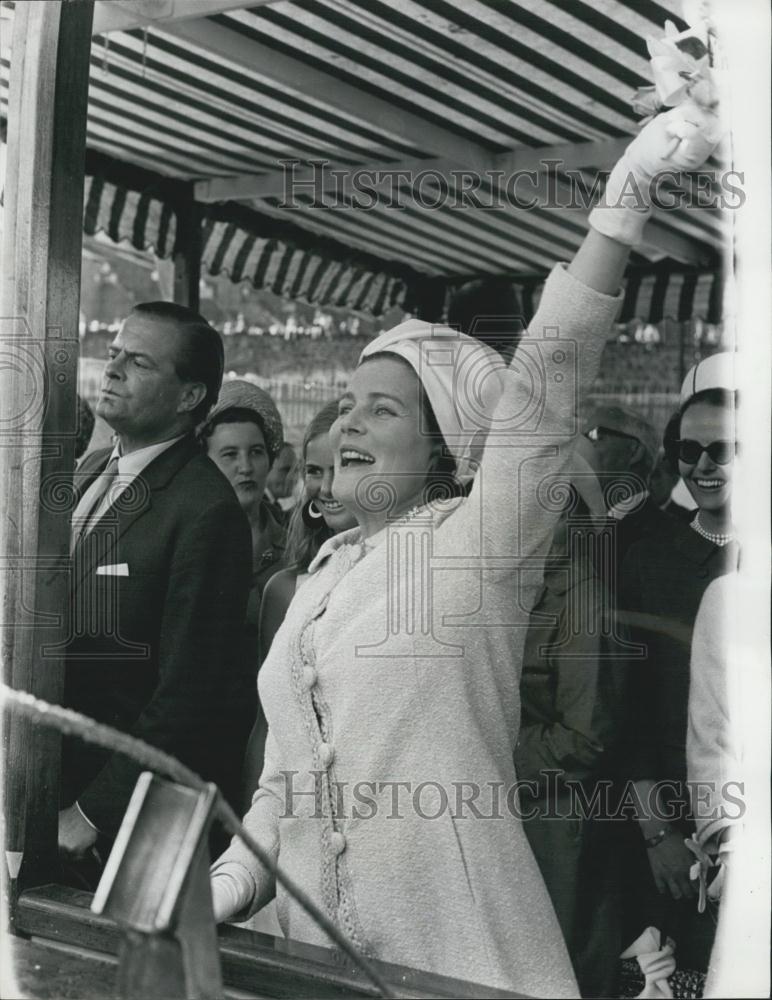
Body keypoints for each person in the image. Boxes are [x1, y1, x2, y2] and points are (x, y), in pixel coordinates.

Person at [210, 102, 722, 995]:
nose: (352, 422)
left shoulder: (476, 547)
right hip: (304, 960)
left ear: (444, 448)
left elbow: (549, 380)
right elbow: (286, 784)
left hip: (455, 959)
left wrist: (623, 201)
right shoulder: (321, 579)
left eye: (386, 407)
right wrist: (228, 881)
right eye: (351, 402)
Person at [59, 302, 253, 867]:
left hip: (115, 829)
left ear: (189, 397)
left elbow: (189, 693)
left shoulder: (205, 510)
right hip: (44, 788)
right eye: (115, 353)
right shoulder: (90, 470)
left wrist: (94, 812)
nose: (113, 369)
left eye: (139, 362)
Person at [616, 352, 739, 975]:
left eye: (723, 450)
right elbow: (624, 710)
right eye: (690, 450)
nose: (703, 466)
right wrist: (657, 834)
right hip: (674, 835)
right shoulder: (646, 560)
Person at [241, 400, 356, 809]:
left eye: (341, 468)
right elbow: (265, 725)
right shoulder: (284, 589)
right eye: (314, 471)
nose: (326, 487)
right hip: (294, 806)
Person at [199, 379, 286, 660]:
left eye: (256, 452)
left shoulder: (298, 543)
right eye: (230, 455)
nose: (246, 467)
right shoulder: (189, 545)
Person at [264, 441, 297, 522]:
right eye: (286, 470)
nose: (293, 478)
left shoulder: (274, 506)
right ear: (265, 468)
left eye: (295, 471)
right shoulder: (258, 508)